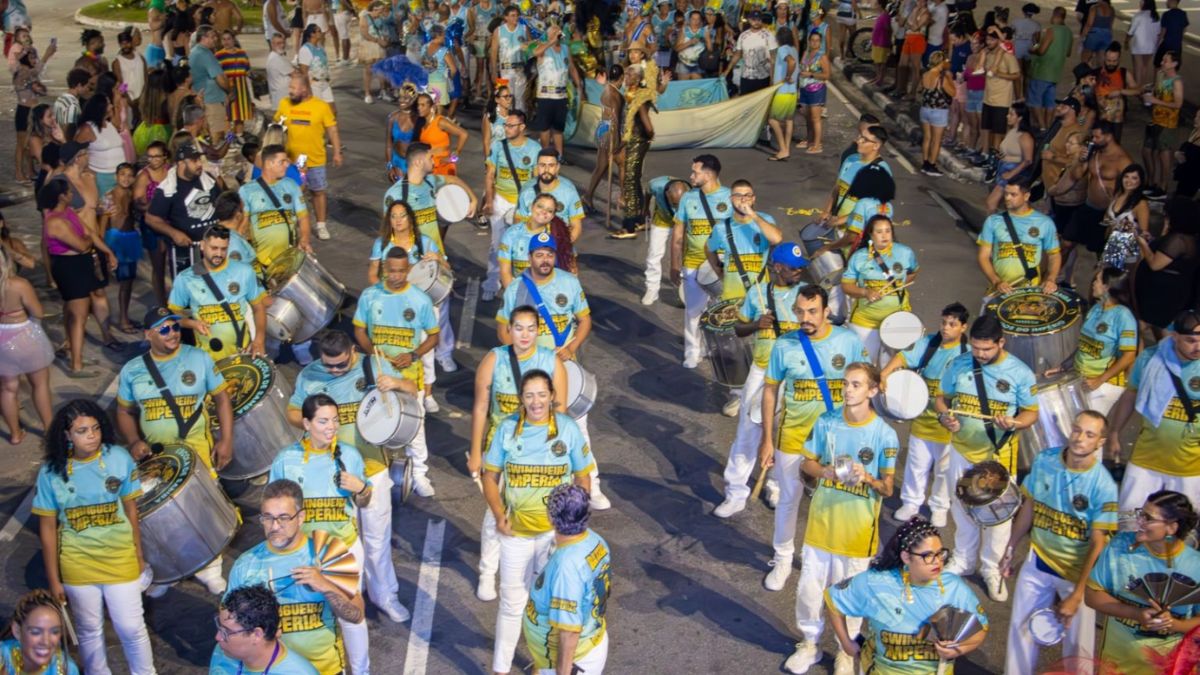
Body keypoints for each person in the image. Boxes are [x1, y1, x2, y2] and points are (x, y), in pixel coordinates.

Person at [286, 329, 413, 623]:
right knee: (342, 541)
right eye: (328, 365)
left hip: (372, 470)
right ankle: (350, 593)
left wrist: (395, 383)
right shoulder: (310, 374)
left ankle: (385, 596)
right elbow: (292, 412)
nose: (333, 370)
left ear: (352, 351)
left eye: (340, 365)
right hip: (331, 475)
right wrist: (310, 421)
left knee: (377, 538)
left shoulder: (371, 365)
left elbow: (411, 389)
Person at [783, 363, 897, 675]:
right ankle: (809, 644)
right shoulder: (827, 422)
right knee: (809, 591)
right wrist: (826, 472)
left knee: (851, 599)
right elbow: (806, 464)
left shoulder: (885, 435)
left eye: (856, 385)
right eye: (846, 383)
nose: (848, 390)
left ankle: (846, 651)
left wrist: (868, 478)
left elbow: (887, 488)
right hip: (821, 527)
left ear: (873, 391)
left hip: (858, 535)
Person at [482, 369, 594, 675]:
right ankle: (500, 669)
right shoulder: (506, 430)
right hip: (515, 534)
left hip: (552, 537)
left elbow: (583, 477)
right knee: (511, 604)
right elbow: (489, 477)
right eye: (529, 395)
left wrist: (574, 525)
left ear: (552, 396)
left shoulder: (568, 429)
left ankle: (544, 663)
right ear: (521, 398)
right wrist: (498, 514)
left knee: (547, 608)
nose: (536, 402)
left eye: (542, 394)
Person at [758, 285, 869, 592]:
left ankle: (818, 557)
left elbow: (863, 385)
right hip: (792, 437)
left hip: (836, 441)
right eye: (799, 311)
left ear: (826, 311)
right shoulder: (784, 345)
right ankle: (782, 560)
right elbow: (770, 391)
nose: (804, 318)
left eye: (811, 312)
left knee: (831, 502)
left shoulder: (847, 341)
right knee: (789, 501)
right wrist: (767, 440)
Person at [31, 399, 153, 675]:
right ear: (66, 435)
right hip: (78, 565)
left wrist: (138, 553)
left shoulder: (119, 458)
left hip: (120, 559)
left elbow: (131, 511)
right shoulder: (50, 473)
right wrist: (54, 579)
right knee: (88, 631)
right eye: (82, 431)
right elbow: (48, 529)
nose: (92, 436)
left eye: (95, 428)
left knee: (131, 627)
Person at [495, 233, 607, 509]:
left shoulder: (568, 283)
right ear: (529, 257)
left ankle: (592, 485)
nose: (544, 260)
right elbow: (502, 329)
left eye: (549, 254)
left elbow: (584, 320)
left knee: (577, 428)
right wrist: (520, 354)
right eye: (539, 254)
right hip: (530, 375)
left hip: (564, 369)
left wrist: (572, 346)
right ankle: (531, 490)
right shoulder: (516, 289)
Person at [1000, 410, 1117, 673]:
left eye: (1090, 434)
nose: (1080, 438)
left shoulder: (1104, 485)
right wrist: (1010, 547)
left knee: (1078, 648)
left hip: (1077, 574)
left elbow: (1099, 544)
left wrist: (1078, 594)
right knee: (1021, 632)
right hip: (1038, 560)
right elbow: (1030, 506)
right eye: (1077, 430)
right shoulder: (1045, 460)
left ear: (1100, 442)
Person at [934, 313, 1039, 602]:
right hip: (962, 449)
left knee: (999, 516)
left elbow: (1032, 413)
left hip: (999, 455)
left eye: (986, 349)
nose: (979, 354)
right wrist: (945, 416)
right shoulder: (959, 364)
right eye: (976, 348)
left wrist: (1015, 423)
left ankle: (991, 568)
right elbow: (942, 398)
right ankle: (964, 559)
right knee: (962, 507)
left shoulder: (1020, 373)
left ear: (1001, 342)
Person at [268, 393, 373, 675]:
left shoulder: (349, 455)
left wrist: (361, 488)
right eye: (323, 421)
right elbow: (272, 511)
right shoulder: (285, 461)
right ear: (306, 423)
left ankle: (362, 671)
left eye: (335, 420)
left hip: (344, 551)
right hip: (304, 554)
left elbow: (365, 502)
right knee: (311, 618)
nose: (332, 427)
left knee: (351, 617)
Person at [469, 305, 568, 602]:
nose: (524, 335)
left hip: (540, 452)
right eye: (519, 328)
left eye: (530, 328)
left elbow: (560, 410)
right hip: (502, 447)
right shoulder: (494, 359)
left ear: (538, 331)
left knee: (540, 510)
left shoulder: (551, 361)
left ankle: (536, 574)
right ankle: (488, 571)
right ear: (508, 330)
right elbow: (480, 407)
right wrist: (476, 451)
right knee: (495, 511)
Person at [226, 479, 364, 675]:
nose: (274, 526)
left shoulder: (326, 551)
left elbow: (356, 615)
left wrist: (325, 586)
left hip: (325, 670)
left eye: (283, 518)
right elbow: (227, 624)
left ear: (301, 518)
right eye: (267, 517)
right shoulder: (245, 565)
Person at [713, 244, 808, 517]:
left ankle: (776, 485)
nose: (798, 271)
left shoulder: (804, 296)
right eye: (792, 267)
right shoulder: (759, 294)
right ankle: (735, 492)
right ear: (777, 267)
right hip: (762, 370)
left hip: (794, 375)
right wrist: (758, 324)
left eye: (800, 267)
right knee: (748, 431)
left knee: (784, 433)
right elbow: (739, 328)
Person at [825, 518, 989, 674]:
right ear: (906, 557)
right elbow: (834, 600)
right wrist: (846, 644)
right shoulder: (876, 582)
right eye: (928, 555)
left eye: (940, 553)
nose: (937, 561)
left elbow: (980, 628)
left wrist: (958, 650)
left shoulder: (954, 588)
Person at [116, 305, 233, 499]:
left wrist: (226, 440)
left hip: (199, 452)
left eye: (175, 327)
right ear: (148, 335)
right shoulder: (131, 370)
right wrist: (134, 441)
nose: (172, 333)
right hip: (159, 458)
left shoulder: (199, 357)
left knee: (210, 505)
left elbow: (222, 399)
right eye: (163, 330)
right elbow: (123, 411)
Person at [353, 247, 438, 496]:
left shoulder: (420, 299)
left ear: (409, 270)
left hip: (410, 375)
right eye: (392, 271)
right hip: (378, 372)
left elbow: (434, 336)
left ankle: (420, 473)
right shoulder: (370, 296)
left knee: (414, 425)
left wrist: (413, 355)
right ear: (384, 269)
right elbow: (359, 331)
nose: (397, 276)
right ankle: (379, 473)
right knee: (376, 421)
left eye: (402, 271)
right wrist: (373, 353)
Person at [1086, 490, 1200, 674]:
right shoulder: (1120, 546)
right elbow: (1091, 596)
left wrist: (1174, 625)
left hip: (1169, 668)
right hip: (1117, 664)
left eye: (1148, 518)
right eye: (1141, 513)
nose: (1139, 521)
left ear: (1171, 528)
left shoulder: (1195, 566)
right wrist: (1137, 613)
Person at [883, 303, 970, 526]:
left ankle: (940, 505)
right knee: (916, 464)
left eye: (952, 324)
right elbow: (903, 357)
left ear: (963, 327)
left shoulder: (967, 353)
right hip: (922, 417)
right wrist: (885, 373)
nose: (946, 327)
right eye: (944, 322)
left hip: (948, 422)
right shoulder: (928, 343)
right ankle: (911, 502)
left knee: (944, 469)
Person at [522, 483, 611, 675]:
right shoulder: (595, 540)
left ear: (551, 517)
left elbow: (569, 633)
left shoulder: (567, 567)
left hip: (572, 660)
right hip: (583, 647)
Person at [39, 176, 116, 378]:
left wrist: (108, 252)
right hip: (69, 269)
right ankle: (77, 364)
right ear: (61, 196)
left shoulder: (68, 212)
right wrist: (88, 241)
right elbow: (82, 244)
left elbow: (89, 233)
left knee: (74, 313)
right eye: (69, 192)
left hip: (80, 266)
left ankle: (75, 353)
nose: (73, 195)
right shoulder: (55, 221)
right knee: (79, 317)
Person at [167, 224, 266, 361]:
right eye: (214, 248)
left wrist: (259, 340)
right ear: (202, 245)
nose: (219, 254)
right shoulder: (185, 278)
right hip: (206, 360)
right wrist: (192, 324)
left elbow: (259, 308)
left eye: (223, 249)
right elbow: (173, 314)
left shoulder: (244, 272)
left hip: (244, 354)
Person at [671, 154, 731, 369]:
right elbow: (678, 234)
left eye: (695, 172)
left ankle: (717, 348)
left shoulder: (730, 197)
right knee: (693, 311)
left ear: (708, 174)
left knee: (721, 310)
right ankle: (692, 352)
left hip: (721, 266)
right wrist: (674, 264)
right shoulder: (688, 198)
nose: (691, 176)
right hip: (693, 263)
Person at [1061, 122, 1133, 283]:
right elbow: (1077, 175)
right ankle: (1055, 278)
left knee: (1102, 255)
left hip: (1106, 213)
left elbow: (1130, 189)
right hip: (1088, 207)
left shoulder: (1123, 160)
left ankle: (1101, 288)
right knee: (1065, 243)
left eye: (1097, 136)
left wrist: (1117, 214)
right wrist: (1081, 160)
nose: (1093, 139)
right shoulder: (1094, 152)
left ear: (1109, 136)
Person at [841, 215, 919, 362]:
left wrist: (899, 287)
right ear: (870, 234)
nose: (884, 235)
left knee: (889, 371)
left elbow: (914, 271)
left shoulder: (905, 253)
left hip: (897, 319)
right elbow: (846, 286)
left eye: (888, 231)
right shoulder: (859, 257)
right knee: (864, 367)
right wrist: (865, 292)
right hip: (865, 321)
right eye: (879, 232)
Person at [483, 110, 541, 302]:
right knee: (497, 243)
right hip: (501, 199)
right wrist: (489, 200)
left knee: (522, 244)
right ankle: (492, 282)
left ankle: (522, 284)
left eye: (511, 125)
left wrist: (529, 206)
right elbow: (490, 175)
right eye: (505, 125)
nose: (506, 129)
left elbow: (535, 181)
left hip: (523, 202)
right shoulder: (498, 147)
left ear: (522, 127)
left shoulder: (534, 149)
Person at [276, 71, 342, 241]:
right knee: (294, 192)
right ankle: (292, 226)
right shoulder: (285, 104)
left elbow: (332, 129)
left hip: (314, 158)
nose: (289, 90)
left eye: (293, 87)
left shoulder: (321, 106)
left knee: (318, 192)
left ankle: (321, 225)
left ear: (304, 89)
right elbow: (277, 127)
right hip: (292, 159)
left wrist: (336, 152)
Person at [809, 126, 894, 258]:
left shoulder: (881, 172)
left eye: (864, 139)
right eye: (860, 136)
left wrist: (841, 220)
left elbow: (871, 210)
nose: (858, 141)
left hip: (856, 233)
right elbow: (838, 186)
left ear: (876, 145)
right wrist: (826, 211)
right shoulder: (851, 159)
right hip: (837, 225)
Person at [382, 142, 478, 255]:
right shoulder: (396, 194)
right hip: (412, 262)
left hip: (437, 258)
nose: (434, 161)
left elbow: (453, 179)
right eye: (430, 158)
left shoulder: (431, 181)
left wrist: (474, 200)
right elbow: (388, 232)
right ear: (418, 162)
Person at [976, 179, 1060, 301]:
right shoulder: (993, 221)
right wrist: (996, 281)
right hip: (999, 290)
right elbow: (983, 256)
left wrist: (1051, 279)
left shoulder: (1044, 223)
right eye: (1006, 194)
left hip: (1030, 292)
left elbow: (1054, 255)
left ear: (1026, 196)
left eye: (1013, 195)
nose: (1007, 198)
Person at [145, 142, 221, 276]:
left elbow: (223, 204)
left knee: (218, 288)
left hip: (214, 246)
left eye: (199, 159)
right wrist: (173, 233)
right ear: (181, 163)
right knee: (193, 289)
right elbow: (151, 218)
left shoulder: (208, 180)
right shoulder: (167, 189)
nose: (199, 164)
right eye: (194, 160)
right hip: (188, 251)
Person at [0, 247, 52, 442]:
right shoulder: (19, 284)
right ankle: (49, 428)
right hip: (24, 334)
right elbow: (38, 312)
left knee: (7, 388)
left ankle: (14, 434)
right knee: (39, 384)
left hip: (1, 336)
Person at [210, 584, 319, 674]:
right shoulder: (222, 651)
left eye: (226, 631)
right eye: (219, 626)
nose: (217, 637)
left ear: (257, 635)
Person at [1131, 199, 1199, 336]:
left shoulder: (1179, 240)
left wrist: (1142, 243)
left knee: (1147, 327)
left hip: (1163, 294)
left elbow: (1155, 264)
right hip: (1164, 290)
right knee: (1156, 327)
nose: (1165, 218)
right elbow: (1163, 248)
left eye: (1167, 215)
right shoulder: (1184, 238)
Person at [238, 143, 310, 270]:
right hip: (260, 264)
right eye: (282, 162)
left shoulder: (291, 185)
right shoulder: (246, 191)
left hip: (289, 259)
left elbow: (303, 217)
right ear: (269, 163)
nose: (287, 165)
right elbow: (242, 224)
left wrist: (304, 238)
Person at [614, 62, 656, 239]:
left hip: (638, 140)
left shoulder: (640, 97)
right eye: (626, 74)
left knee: (630, 181)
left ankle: (629, 225)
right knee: (635, 179)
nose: (626, 77)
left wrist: (647, 136)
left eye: (630, 75)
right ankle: (639, 218)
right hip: (633, 140)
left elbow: (647, 125)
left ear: (638, 78)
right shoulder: (631, 95)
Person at [529, 19, 581, 159]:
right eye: (554, 31)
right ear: (549, 35)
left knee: (558, 129)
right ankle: (545, 153)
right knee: (545, 128)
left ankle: (559, 155)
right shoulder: (543, 47)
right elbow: (535, 52)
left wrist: (579, 85)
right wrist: (551, 42)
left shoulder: (565, 49)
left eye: (559, 31)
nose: (558, 33)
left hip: (561, 96)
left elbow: (572, 67)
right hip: (546, 96)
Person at [0, 589, 81, 675]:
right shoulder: (3, 657)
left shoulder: (67, 669)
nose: (46, 641)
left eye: (55, 632)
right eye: (36, 632)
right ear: (17, 631)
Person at [513, 149, 585, 244]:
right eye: (542, 165)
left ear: (557, 167)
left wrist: (564, 247)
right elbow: (518, 222)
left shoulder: (569, 191)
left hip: (560, 250)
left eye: (551, 165)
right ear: (537, 167)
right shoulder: (526, 190)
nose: (546, 170)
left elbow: (576, 226)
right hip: (533, 252)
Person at [641, 177, 689, 306]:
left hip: (686, 220)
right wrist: (645, 208)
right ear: (667, 194)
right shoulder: (656, 185)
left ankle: (685, 290)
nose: (677, 208)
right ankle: (652, 289)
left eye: (680, 204)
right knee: (654, 254)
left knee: (687, 254)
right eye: (674, 204)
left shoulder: (693, 191)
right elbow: (647, 192)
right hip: (663, 218)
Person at [1143, 50, 1184, 199]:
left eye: (1165, 61)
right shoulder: (1160, 75)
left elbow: (1178, 104)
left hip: (1168, 123)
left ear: (1174, 64)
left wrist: (1155, 101)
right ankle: (1152, 182)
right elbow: (1156, 91)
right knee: (1147, 151)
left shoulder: (1177, 82)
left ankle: (1163, 186)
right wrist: (1150, 94)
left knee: (1164, 155)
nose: (1162, 63)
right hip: (1155, 119)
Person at [983, 103, 1036, 214]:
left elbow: (1028, 160)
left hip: (1014, 172)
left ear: (1020, 117)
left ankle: (991, 229)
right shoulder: (1012, 131)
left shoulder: (1025, 136)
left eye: (1011, 114)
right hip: (1003, 168)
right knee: (1007, 206)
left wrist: (1011, 173)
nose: (1007, 116)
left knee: (991, 203)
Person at [1027, 8, 1073, 131]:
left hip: (1042, 70)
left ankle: (1042, 126)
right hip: (1056, 72)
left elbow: (1042, 51)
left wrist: (1033, 48)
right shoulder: (1068, 32)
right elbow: (1068, 52)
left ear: (1055, 15)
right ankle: (1047, 128)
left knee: (1035, 100)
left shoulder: (1051, 30)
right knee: (1050, 102)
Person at [1099, 164, 1151, 271]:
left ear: (1140, 181)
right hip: (1110, 243)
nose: (1129, 181)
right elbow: (1107, 217)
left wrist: (1127, 229)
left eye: (1134, 178)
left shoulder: (1141, 203)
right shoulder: (1118, 194)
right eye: (1126, 176)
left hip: (1128, 249)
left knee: (1119, 282)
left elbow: (1144, 233)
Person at [414, 91, 468, 179]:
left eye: (423, 105)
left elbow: (463, 134)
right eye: (418, 105)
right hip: (429, 167)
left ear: (432, 107)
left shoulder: (440, 122)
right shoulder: (422, 123)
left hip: (443, 166)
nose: (419, 108)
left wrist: (457, 152)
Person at [189, 25, 229, 138]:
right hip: (212, 100)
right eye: (212, 36)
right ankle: (222, 150)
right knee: (217, 132)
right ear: (203, 38)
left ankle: (231, 142)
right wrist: (229, 91)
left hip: (208, 98)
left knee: (226, 128)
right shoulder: (205, 54)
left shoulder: (196, 51)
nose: (216, 39)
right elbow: (220, 78)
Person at [723, 10, 777, 94]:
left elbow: (773, 59)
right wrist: (727, 70)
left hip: (763, 77)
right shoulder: (743, 36)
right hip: (745, 77)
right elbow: (737, 55)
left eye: (759, 19)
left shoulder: (769, 36)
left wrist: (772, 80)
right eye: (754, 19)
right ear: (749, 20)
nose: (756, 22)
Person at [918, 51, 954, 176]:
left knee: (927, 138)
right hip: (939, 111)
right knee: (936, 140)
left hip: (925, 109)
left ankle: (925, 163)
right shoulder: (941, 77)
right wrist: (949, 78)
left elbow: (920, 89)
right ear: (941, 62)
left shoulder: (925, 74)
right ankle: (932, 166)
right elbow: (952, 92)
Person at [1095, 43, 1138, 143]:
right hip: (1099, 118)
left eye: (1114, 61)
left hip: (1116, 120)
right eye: (1108, 60)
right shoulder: (1096, 73)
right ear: (1104, 58)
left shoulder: (1124, 73)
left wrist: (1120, 91)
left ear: (1119, 60)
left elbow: (1137, 91)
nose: (1111, 63)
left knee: (1114, 146)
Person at [795, 31, 829, 156]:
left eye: (817, 40)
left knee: (816, 118)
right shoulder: (806, 53)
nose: (814, 43)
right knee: (807, 116)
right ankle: (809, 139)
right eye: (812, 40)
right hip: (804, 88)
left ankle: (817, 144)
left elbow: (826, 75)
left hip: (816, 89)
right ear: (809, 41)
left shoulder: (822, 56)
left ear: (820, 43)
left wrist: (811, 74)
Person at [767, 27, 797, 162]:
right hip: (792, 92)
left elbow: (792, 62)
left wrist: (787, 76)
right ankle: (787, 149)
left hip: (783, 91)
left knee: (772, 120)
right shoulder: (794, 50)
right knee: (789, 120)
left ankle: (783, 149)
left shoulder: (783, 49)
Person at [491, 6, 530, 108]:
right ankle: (505, 122)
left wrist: (528, 48)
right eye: (512, 16)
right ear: (506, 17)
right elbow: (494, 52)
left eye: (517, 15)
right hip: (505, 70)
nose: (515, 18)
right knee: (505, 99)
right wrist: (494, 71)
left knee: (520, 100)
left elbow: (531, 48)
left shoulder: (524, 29)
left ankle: (519, 121)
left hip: (520, 70)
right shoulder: (498, 31)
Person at [215, 31, 252, 135]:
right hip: (227, 88)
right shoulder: (218, 55)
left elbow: (247, 70)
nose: (226, 42)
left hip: (242, 88)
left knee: (240, 117)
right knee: (228, 118)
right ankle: (229, 141)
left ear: (233, 40)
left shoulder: (242, 53)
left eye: (229, 39)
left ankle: (239, 137)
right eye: (224, 39)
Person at [297, 24, 334, 112]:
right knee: (319, 112)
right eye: (319, 31)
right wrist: (308, 90)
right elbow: (304, 72)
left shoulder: (320, 48)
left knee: (332, 111)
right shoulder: (305, 50)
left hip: (325, 83)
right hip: (314, 85)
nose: (321, 33)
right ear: (312, 34)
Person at [358, 2, 389, 103]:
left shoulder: (381, 18)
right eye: (380, 11)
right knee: (368, 70)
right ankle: (367, 94)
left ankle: (383, 91)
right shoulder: (364, 18)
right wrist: (378, 41)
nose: (381, 13)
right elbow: (365, 34)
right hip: (369, 46)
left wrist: (385, 40)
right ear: (374, 9)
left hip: (379, 46)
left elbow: (384, 30)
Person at [53, 69, 91, 139]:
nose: (88, 89)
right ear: (79, 85)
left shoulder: (61, 98)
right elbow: (68, 128)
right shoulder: (72, 104)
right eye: (87, 86)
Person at [1080, 0, 1116, 67]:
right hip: (1106, 35)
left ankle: (1085, 74)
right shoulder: (1112, 9)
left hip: (1094, 34)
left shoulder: (1094, 8)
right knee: (1101, 61)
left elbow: (1089, 24)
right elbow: (1110, 26)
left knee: (1085, 58)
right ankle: (1099, 75)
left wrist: (1083, 36)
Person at [264, 33, 291, 110]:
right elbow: (294, 74)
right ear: (272, 44)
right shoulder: (276, 58)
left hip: (282, 97)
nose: (282, 45)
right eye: (278, 43)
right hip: (281, 98)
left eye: (283, 43)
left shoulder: (279, 56)